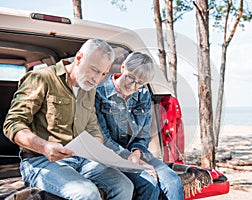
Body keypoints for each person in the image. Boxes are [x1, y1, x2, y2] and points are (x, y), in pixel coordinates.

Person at [3, 39, 134, 200]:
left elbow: (92, 127)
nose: (96, 79)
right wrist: (44, 146)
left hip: (81, 160)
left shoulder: (89, 89)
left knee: (124, 186)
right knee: (87, 193)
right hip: (40, 161)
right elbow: (13, 124)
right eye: (94, 70)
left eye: (103, 74)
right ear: (79, 59)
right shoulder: (41, 78)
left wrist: (98, 149)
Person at [95, 52, 184, 200]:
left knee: (173, 182)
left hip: (137, 155)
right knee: (149, 183)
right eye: (130, 78)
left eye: (140, 83)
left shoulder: (143, 94)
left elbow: (143, 134)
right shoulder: (100, 93)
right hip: (112, 156)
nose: (133, 86)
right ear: (123, 68)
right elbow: (103, 138)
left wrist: (137, 154)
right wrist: (131, 159)